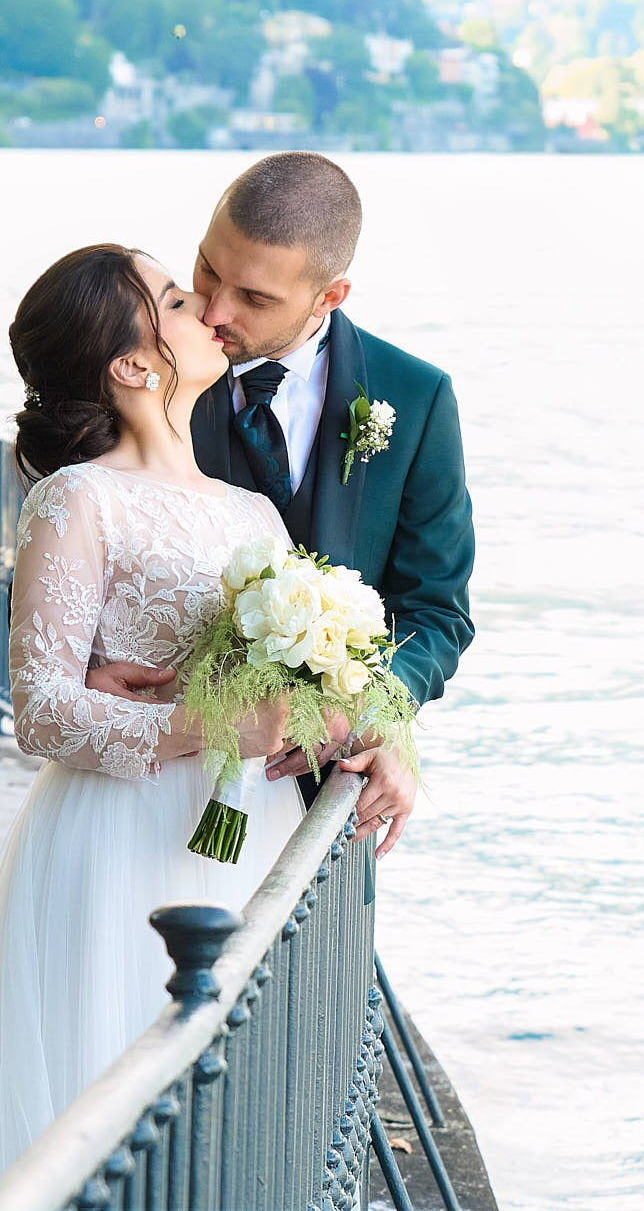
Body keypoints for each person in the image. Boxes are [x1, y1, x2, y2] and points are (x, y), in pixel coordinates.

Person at [0, 243, 364, 1207]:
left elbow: (284, 695)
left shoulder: (252, 513)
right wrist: (206, 719)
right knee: (108, 1092)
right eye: (182, 300)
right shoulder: (77, 499)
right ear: (136, 365)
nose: (210, 313)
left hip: (241, 832)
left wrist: (326, 713)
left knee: (227, 1101)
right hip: (115, 840)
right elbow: (42, 711)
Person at [87, 153, 476, 858]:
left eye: (256, 298)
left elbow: (437, 611)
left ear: (331, 296)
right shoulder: (147, 369)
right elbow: (69, 538)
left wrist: (375, 712)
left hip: (325, 801)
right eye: (207, 269)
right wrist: (84, 665)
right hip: (154, 791)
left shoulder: (415, 398)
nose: (214, 310)